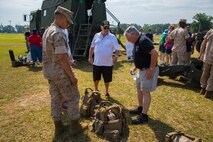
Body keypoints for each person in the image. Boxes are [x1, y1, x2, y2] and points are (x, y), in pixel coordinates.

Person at [42, 6, 87, 138]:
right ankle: (75, 127)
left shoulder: (47, 31)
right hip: (61, 73)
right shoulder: (58, 33)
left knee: (55, 99)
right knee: (73, 97)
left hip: (50, 72)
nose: (68, 25)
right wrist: (72, 76)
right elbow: (62, 57)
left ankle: (59, 128)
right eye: (67, 21)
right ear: (60, 17)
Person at [124, 26, 159, 124]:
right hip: (141, 70)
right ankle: (140, 108)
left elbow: (155, 53)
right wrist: (135, 67)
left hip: (148, 70)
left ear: (134, 34)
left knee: (145, 91)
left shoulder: (143, 40)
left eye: (128, 38)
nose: (128, 40)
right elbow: (140, 56)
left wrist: (151, 69)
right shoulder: (136, 41)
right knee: (139, 89)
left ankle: (144, 116)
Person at [88, 20, 120, 98]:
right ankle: (96, 90)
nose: (106, 29)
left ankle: (106, 91)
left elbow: (117, 49)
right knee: (96, 78)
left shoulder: (112, 37)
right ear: (101, 27)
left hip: (108, 63)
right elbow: (92, 47)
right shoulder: (96, 35)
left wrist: (116, 57)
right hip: (97, 62)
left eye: (108, 28)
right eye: (105, 27)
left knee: (107, 79)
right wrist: (90, 57)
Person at [198, 29, 213, 100]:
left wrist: (200, 54)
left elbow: (203, 43)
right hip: (208, 56)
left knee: (205, 72)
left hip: (207, 56)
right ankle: (209, 91)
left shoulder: (210, 31)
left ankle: (203, 88)